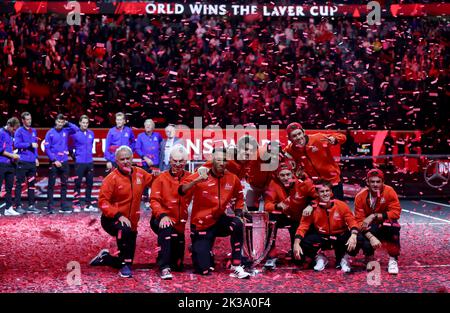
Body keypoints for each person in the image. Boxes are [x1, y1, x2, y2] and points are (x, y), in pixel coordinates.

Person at [179, 147, 251, 279]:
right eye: (218, 159)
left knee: (237, 223)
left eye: (224, 160)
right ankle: (201, 249)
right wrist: (196, 181)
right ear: (212, 160)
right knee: (203, 270)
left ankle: (236, 264)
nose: (222, 163)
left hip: (219, 220)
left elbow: (239, 197)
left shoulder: (232, 178)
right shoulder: (201, 174)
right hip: (202, 224)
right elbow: (181, 190)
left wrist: (239, 213)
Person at [90, 145, 154, 278]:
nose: (125, 161)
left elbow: (154, 182)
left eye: (128, 158)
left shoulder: (140, 173)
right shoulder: (111, 179)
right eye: (122, 159)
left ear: (132, 158)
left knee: (129, 259)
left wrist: (161, 176)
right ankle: (123, 265)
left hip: (131, 222)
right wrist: (118, 215)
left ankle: (106, 258)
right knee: (123, 230)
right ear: (116, 161)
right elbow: (103, 202)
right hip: (111, 219)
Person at [293, 180, 360, 273]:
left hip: (340, 236)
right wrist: (296, 244)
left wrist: (353, 235)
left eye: (327, 191)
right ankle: (319, 257)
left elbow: (352, 221)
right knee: (301, 241)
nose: (325, 194)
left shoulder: (341, 205)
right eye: (322, 191)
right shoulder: (311, 208)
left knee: (359, 238)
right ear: (317, 193)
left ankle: (343, 258)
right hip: (322, 237)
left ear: (331, 192)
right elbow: (303, 227)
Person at [263, 161, 317, 269]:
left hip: (298, 218)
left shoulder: (302, 182)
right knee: (270, 218)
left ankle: (300, 251)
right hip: (282, 216)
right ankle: (271, 254)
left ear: (292, 174)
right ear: (278, 176)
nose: (285, 178)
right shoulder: (273, 184)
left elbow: (318, 197)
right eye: (282, 175)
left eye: (288, 174)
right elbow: (267, 205)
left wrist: (311, 205)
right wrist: (277, 206)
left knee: (298, 260)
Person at [150, 144, 192, 280]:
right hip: (161, 218)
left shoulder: (191, 178)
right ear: (169, 160)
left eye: (181, 161)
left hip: (179, 223)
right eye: (175, 160)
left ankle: (165, 257)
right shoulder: (161, 178)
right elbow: (154, 201)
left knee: (178, 265)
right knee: (166, 228)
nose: (177, 164)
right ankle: (164, 267)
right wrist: (162, 215)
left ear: (186, 162)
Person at [354, 169, 402, 274]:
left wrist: (374, 216)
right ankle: (369, 256)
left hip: (384, 225)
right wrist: (371, 237)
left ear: (383, 182)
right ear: (367, 182)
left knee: (393, 226)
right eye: (372, 182)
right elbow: (359, 220)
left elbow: (396, 212)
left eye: (378, 181)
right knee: (358, 237)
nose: (375, 184)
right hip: (369, 228)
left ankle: (393, 259)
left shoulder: (389, 191)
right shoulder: (360, 196)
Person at [284, 122, 346, 200]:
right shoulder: (290, 150)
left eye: (299, 133)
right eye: (294, 136)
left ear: (303, 132)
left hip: (332, 181)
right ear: (289, 139)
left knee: (337, 208)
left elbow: (343, 137)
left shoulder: (318, 138)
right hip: (314, 186)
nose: (298, 137)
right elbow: (279, 156)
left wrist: (335, 139)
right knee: (317, 210)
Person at [44, 114, 79, 214]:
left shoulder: (66, 130)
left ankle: (63, 205)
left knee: (64, 185)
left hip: (64, 162)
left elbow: (76, 129)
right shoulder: (50, 133)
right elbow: (47, 149)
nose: (60, 124)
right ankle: (50, 206)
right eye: (58, 122)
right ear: (56, 121)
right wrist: (54, 160)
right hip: (54, 162)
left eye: (62, 122)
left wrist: (67, 122)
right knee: (51, 185)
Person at [13, 112, 41, 214]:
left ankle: (31, 205)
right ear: (23, 120)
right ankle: (18, 205)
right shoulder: (19, 131)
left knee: (32, 184)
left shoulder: (34, 131)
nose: (29, 121)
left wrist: (36, 157)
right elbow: (16, 144)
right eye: (27, 119)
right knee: (19, 184)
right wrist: (29, 144)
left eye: (30, 119)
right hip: (22, 161)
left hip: (32, 162)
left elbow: (36, 146)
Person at [70, 115, 97, 212]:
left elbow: (91, 145)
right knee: (77, 184)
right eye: (83, 122)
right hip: (79, 163)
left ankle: (87, 204)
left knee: (89, 184)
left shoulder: (91, 133)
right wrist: (75, 157)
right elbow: (70, 147)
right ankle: (76, 204)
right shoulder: (75, 134)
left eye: (86, 123)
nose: (85, 124)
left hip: (89, 162)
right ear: (80, 123)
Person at [136, 119, 163, 207]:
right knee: (145, 182)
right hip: (145, 163)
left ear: (153, 127)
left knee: (156, 182)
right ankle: (146, 199)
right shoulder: (140, 136)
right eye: (146, 124)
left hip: (156, 163)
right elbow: (137, 149)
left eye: (150, 124)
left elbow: (161, 147)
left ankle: (155, 199)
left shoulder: (158, 135)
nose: (148, 126)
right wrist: (145, 158)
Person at [0, 117, 21, 216]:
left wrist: (14, 155)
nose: (14, 131)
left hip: (10, 164)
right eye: (14, 129)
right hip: (1, 164)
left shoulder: (11, 133)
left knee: (9, 187)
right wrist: (12, 155)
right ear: (9, 125)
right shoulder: (1, 133)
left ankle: (8, 208)